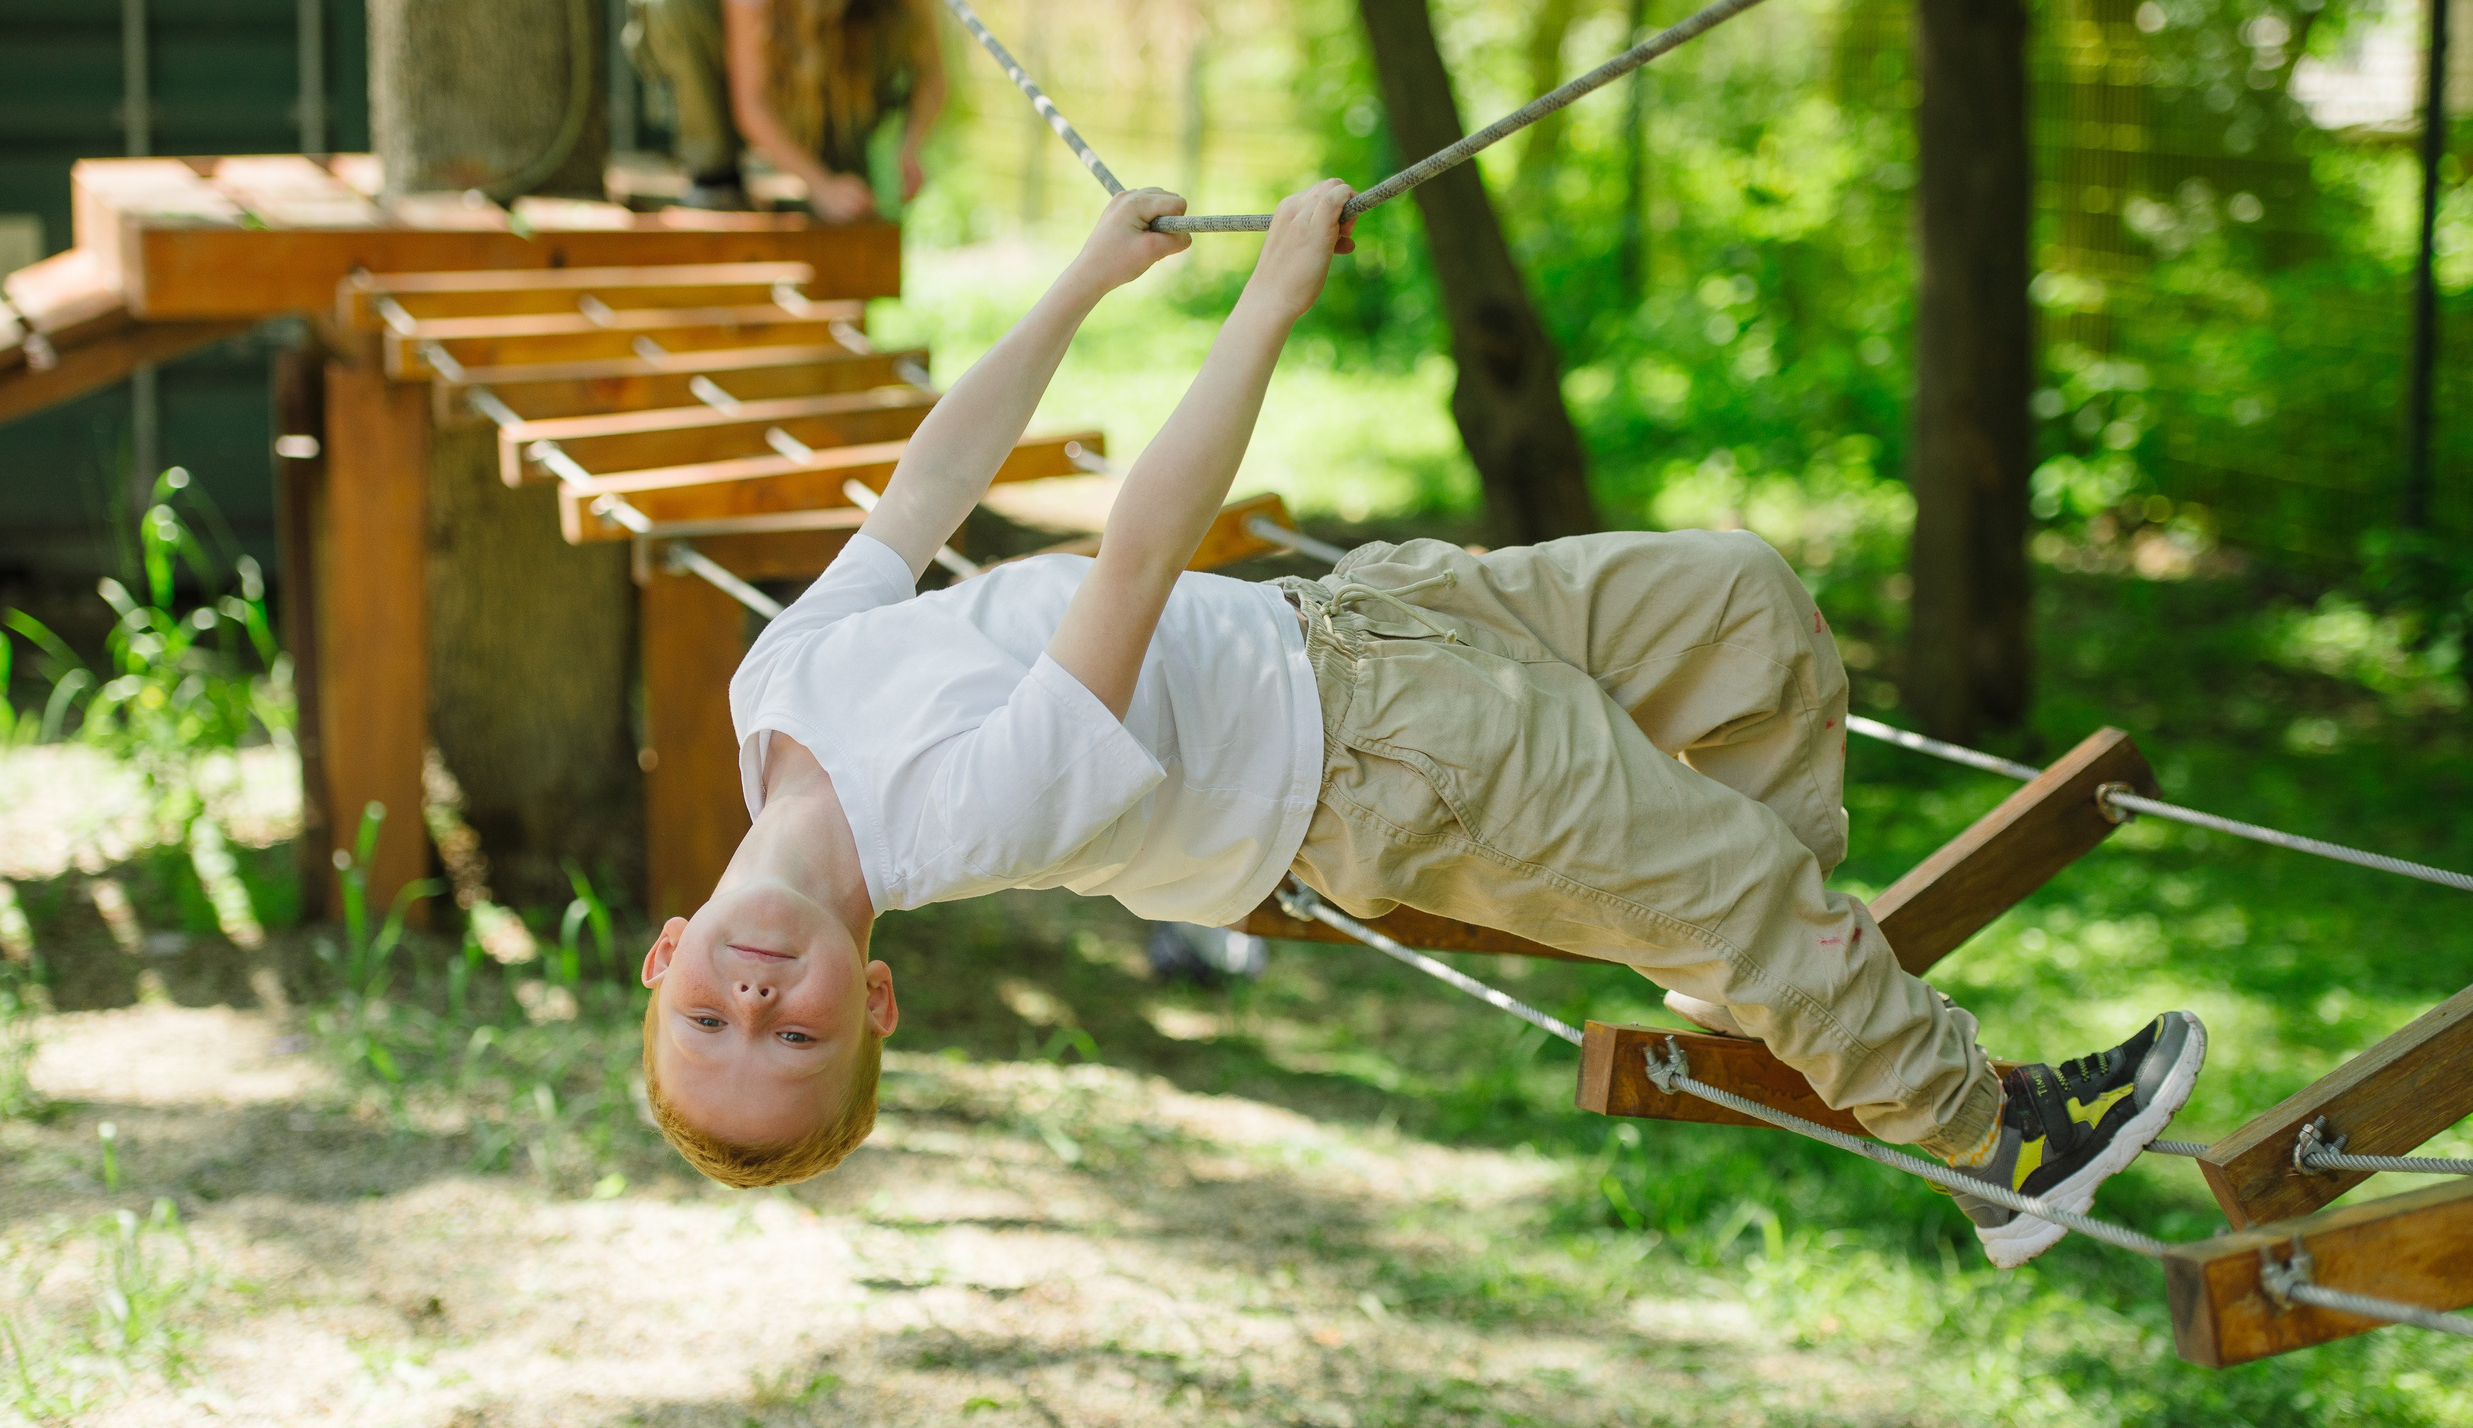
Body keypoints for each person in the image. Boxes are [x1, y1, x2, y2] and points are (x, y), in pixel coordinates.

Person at [637, 183, 2208, 1269]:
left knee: (1750, 615)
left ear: (664, 957)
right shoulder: (961, 824)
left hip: (1366, 624)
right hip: (1378, 769)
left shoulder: (766, 697)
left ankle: (1762, 979)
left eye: (715, 1020)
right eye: (798, 1037)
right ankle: (1986, 1137)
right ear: (879, 1001)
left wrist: (1084, 281)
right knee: (1735, 881)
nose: (759, 999)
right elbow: (1133, 556)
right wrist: (1269, 302)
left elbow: (922, 494)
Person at [627, 0, 944, 219]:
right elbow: (751, 102)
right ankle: (715, 170)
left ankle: (842, 155)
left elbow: (932, 73)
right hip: (768, 53)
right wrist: (820, 186)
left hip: (838, 59)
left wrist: (910, 145)